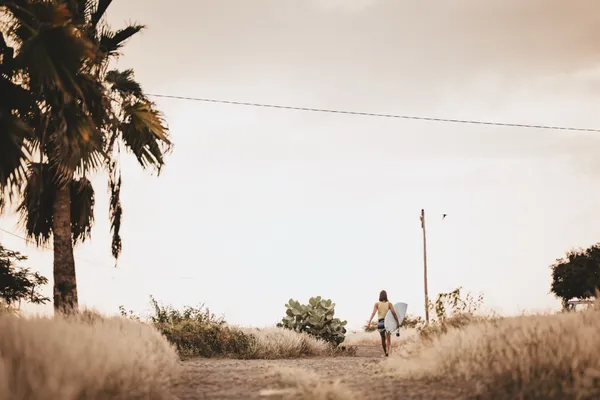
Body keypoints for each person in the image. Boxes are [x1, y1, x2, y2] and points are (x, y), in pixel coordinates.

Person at [367, 289, 400, 357]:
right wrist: (397, 321)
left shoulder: (377, 304)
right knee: (388, 338)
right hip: (388, 322)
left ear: (380, 296)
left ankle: (385, 352)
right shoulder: (389, 304)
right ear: (386, 296)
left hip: (381, 323)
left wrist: (369, 321)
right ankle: (388, 351)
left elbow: (373, 313)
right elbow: (394, 313)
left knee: (383, 338)